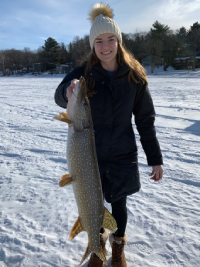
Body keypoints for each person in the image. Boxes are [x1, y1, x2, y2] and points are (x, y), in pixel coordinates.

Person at [54, 3, 163, 267]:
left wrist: (155, 158)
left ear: (119, 41)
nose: (105, 46)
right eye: (99, 41)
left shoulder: (134, 77)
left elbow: (145, 121)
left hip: (123, 153)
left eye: (110, 39)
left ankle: (118, 245)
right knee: (92, 203)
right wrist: (67, 93)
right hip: (91, 156)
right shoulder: (84, 74)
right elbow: (59, 95)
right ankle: (96, 244)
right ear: (93, 45)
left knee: (119, 203)